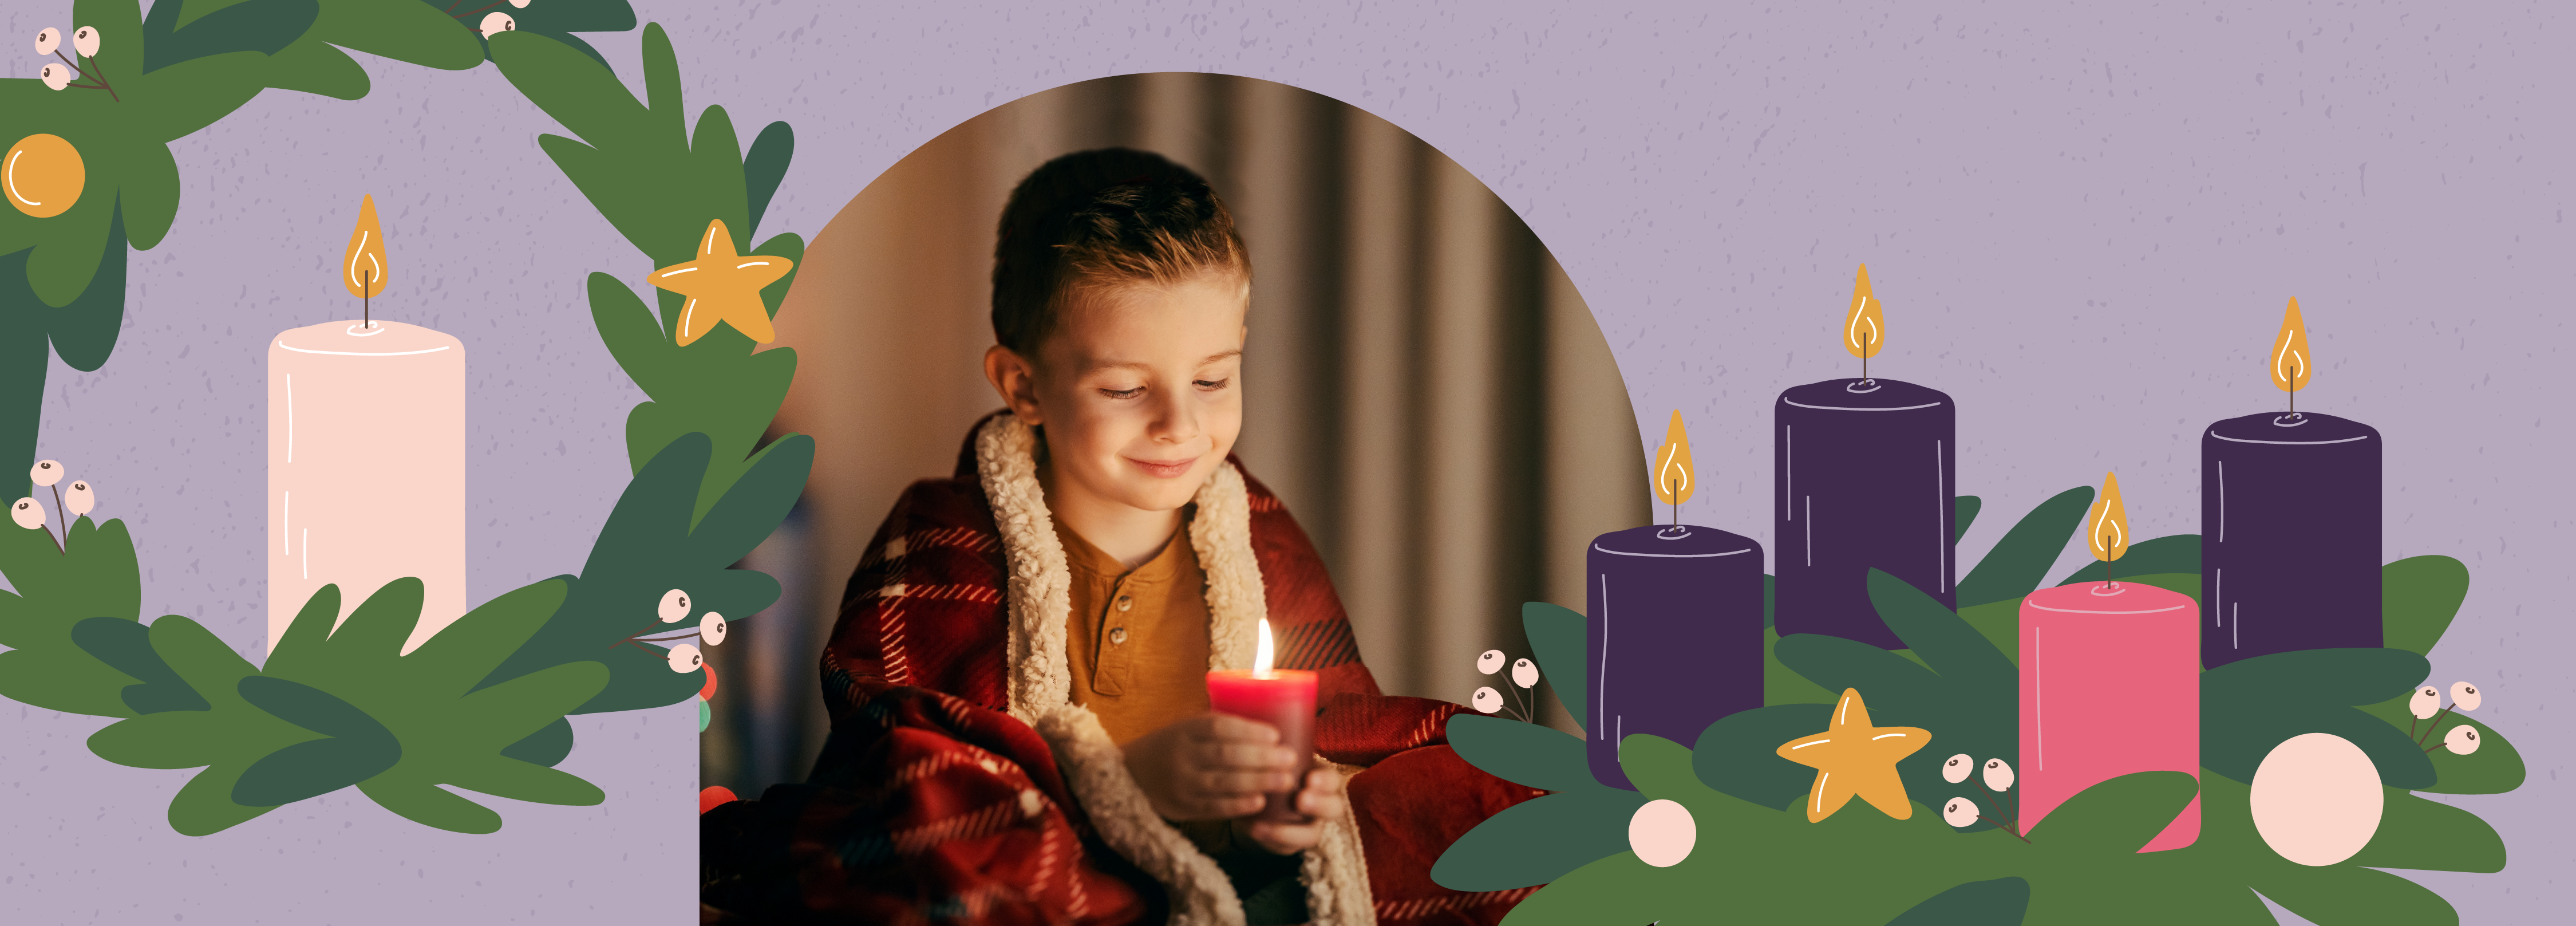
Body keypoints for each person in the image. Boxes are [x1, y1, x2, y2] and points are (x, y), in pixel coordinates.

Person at [700, 149, 1540, 925]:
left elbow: (1343, 732)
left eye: (1214, 379)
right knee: (943, 836)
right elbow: (903, 772)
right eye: (1128, 388)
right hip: (1041, 872)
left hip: (1238, 889)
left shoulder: (1258, 535)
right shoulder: (943, 539)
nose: (1182, 424)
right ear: (1023, 385)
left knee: (1493, 801)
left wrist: (1278, 823)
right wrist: (1129, 786)